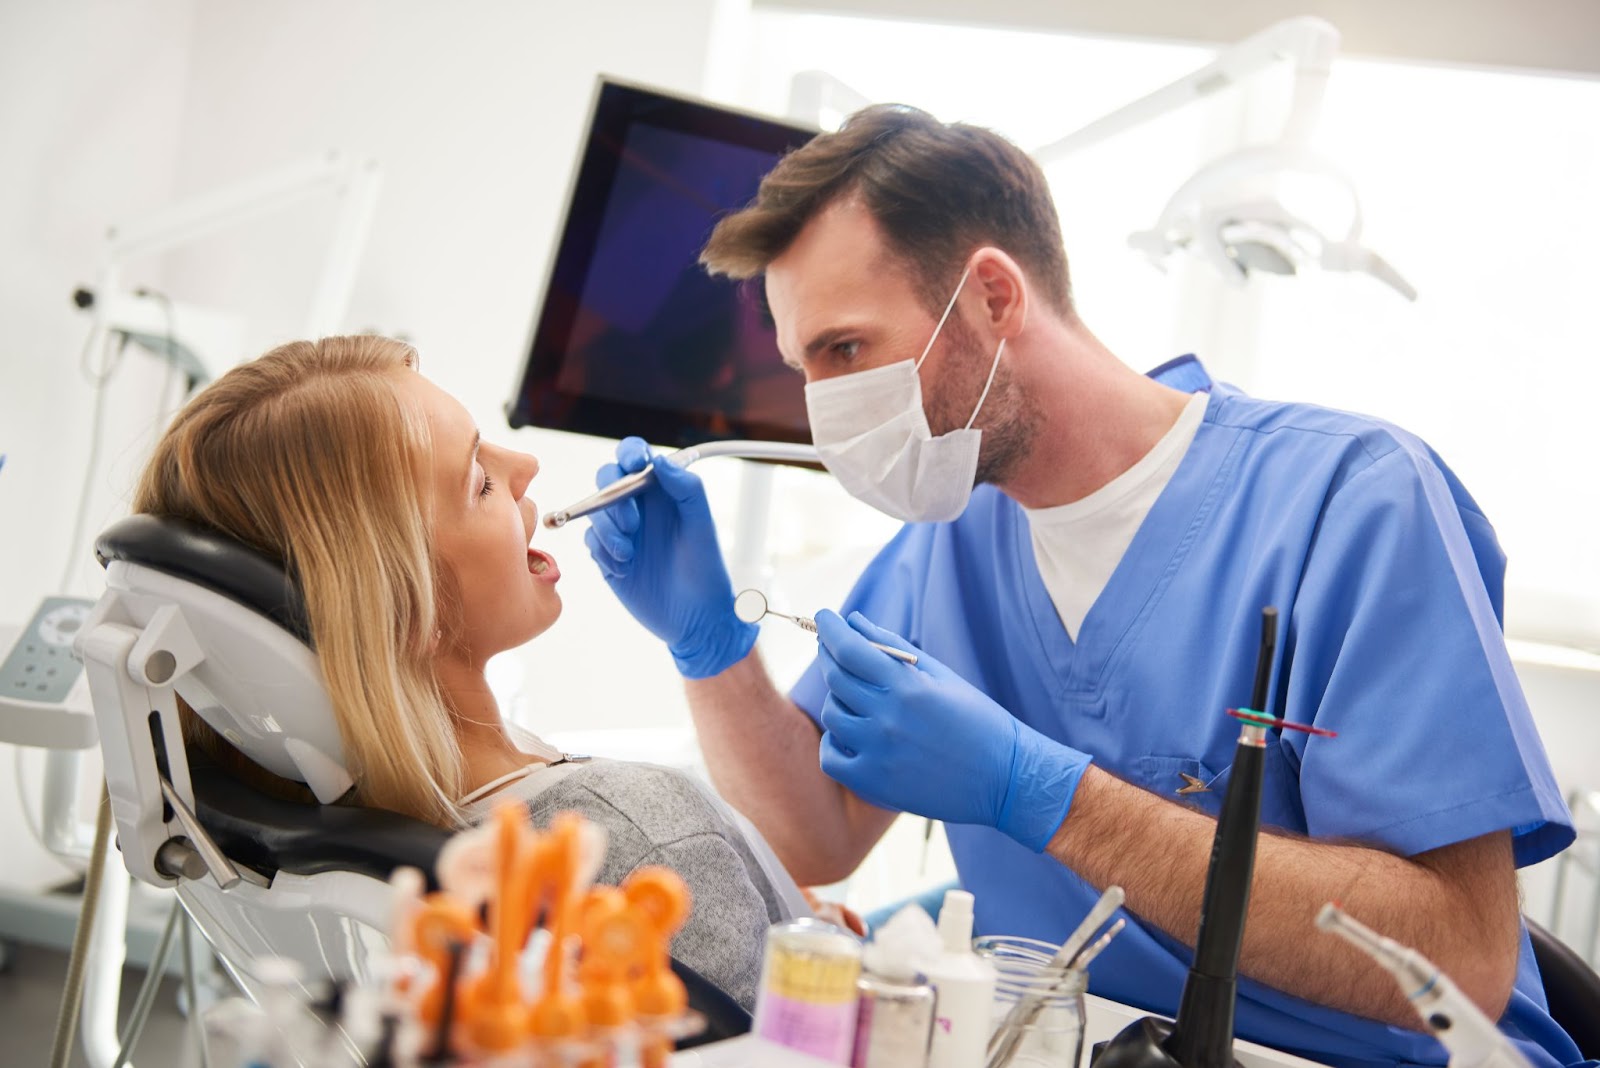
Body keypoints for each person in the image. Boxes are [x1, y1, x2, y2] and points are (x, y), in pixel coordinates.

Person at [582, 105, 1583, 1065]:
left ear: (991, 297)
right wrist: (709, 645)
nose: (824, 409)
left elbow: (1457, 957)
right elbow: (817, 831)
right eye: (808, 368)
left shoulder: (1349, 503)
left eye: (846, 350)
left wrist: (1045, 794)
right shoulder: (953, 541)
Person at [130, 335, 805, 1010]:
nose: (526, 463)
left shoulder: (304, 827)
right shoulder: (634, 836)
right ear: (403, 609)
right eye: (479, 480)